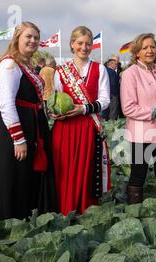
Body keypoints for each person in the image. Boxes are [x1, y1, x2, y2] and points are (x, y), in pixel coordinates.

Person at [0, 21, 58, 222]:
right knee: (12, 174)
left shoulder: (25, 64)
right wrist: (18, 139)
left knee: (26, 173)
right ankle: (8, 222)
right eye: (28, 36)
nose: (33, 40)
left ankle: (26, 215)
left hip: (31, 123)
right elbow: (7, 104)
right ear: (17, 38)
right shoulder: (10, 64)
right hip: (15, 128)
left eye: (36, 37)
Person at [51, 26, 111, 216]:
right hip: (65, 127)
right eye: (80, 43)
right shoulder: (61, 70)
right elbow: (55, 98)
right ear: (72, 44)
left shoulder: (99, 68)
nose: (84, 47)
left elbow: (105, 100)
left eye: (88, 44)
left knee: (86, 167)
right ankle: (64, 207)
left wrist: (84, 109)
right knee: (65, 168)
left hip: (88, 125)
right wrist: (53, 112)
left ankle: (85, 207)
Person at [120, 33, 156, 204]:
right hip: (141, 132)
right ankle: (134, 208)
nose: (149, 50)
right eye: (145, 48)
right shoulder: (131, 73)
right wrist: (155, 112)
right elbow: (128, 107)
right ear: (137, 52)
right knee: (139, 173)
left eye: (152, 47)